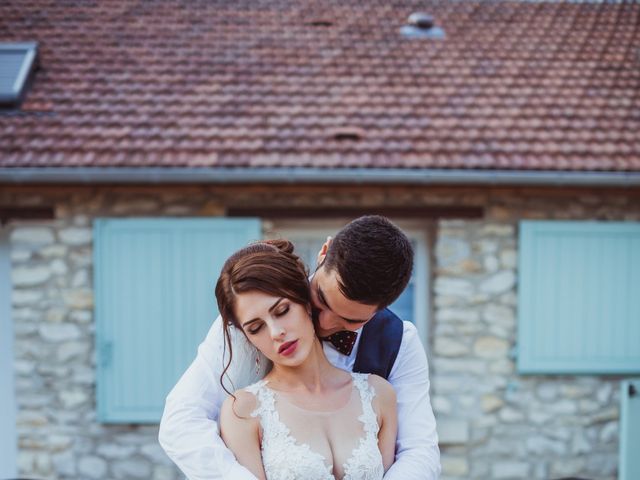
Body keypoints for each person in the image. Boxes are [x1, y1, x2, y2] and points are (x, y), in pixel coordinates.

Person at [159, 215, 440, 479]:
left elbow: (419, 451)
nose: (326, 323)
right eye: (322, 299)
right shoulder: (246, 322)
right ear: (324, 252)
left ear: (380, 310)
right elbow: (181, 423)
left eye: (350, 320)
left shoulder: (398, 345)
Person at [216, 240, 397, 479]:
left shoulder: (378, 394)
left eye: (282, 311)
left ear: (307, 303)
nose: (275, 332)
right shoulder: (243, 410)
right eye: (256, 327)